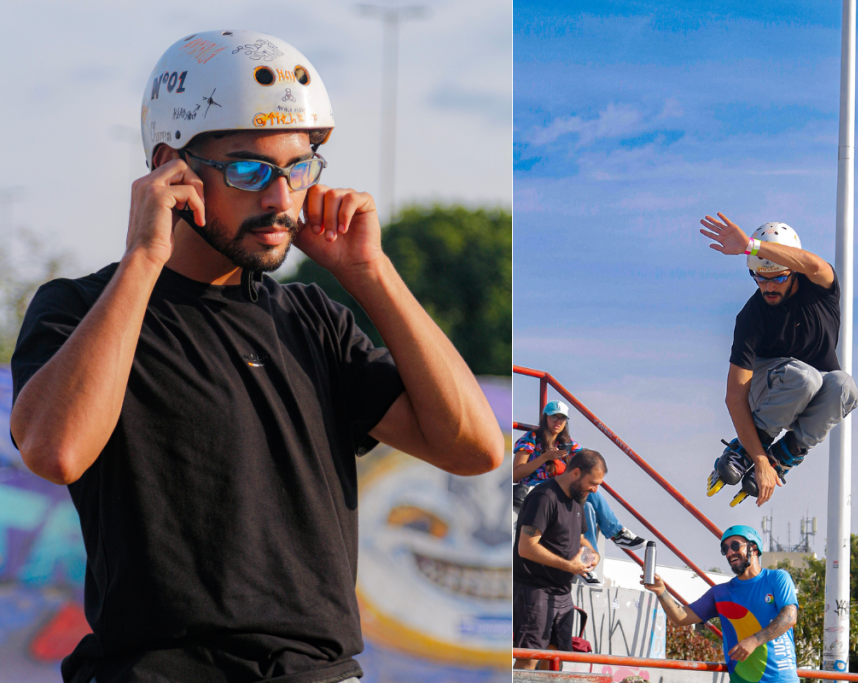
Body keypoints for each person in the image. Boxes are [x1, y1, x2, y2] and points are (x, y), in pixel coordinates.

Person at [9, 30, 504, 683]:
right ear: (169, 167)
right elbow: (55, 449)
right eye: (249, 170)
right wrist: (143, 259)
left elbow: (475, 448)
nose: (280, 198)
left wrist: (373, 274)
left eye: (299, 167)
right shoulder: (83, 309)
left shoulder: (313, 320)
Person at [699, 214, 858, 506]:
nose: (768, 287)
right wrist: (758, 460)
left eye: (778, 278)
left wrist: (750, 246)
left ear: (794, 272)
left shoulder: (821, 291)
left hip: (807, 393)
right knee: (805, 377)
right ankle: (749, 446)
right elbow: (735, 396)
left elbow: (813, 264)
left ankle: (786, 453)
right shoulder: (751, 317)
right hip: (770, 390)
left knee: (844, 387)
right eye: (760, 278)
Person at [642, 526, 798, 682]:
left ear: (754, 548)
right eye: (725, 549)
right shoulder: (720, 593)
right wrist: (661, 592)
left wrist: (754, 640)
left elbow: (789, 617)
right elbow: (680, 617)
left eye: (735, 545)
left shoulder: (777, 578)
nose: (730, 553)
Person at [513, 401, 646, 566]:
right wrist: (545, 457)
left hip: (560, 490)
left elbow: (588, 462)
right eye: (554, 417)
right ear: (545, 417)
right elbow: (515, 474)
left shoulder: (568, 443)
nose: (558, 422)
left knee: (589, 501)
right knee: (589, 490)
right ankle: (617, 534)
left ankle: (587, 557)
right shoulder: (530, 439)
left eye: (562, 418)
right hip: (538, 490)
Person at [513, 449, 607, 670]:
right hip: (535, 590)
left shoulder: (577, 499)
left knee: (556, 659)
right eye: (593, 483)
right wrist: (569, 565)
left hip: (562, 592)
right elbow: (526, 548)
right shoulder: (544, 496)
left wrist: (593, 554)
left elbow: (582, 538)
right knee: (529, 657)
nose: (594, 490)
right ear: (575, 473)